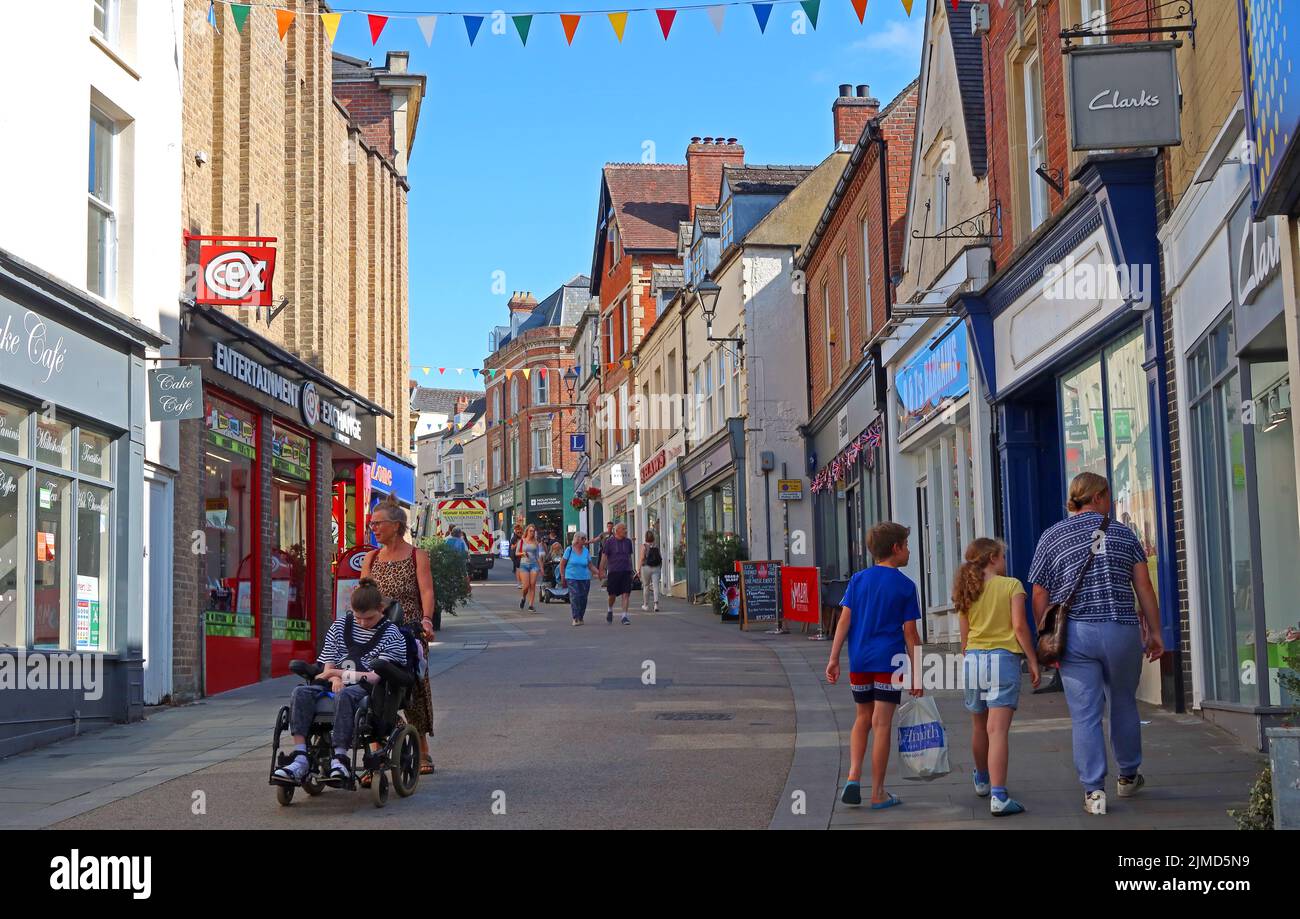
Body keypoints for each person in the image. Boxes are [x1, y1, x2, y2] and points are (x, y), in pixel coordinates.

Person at [1027, 472, 1163, 816]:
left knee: (1085, 714)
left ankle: (1094, 792)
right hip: (1121, 630)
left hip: (1075, 634)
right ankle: (1129, 775)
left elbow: (1039, 591)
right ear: (1099, 497)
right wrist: (1156, 632)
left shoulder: (1052, 536)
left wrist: (1046, 632)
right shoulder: (1122, 533)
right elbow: (1143, 587)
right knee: (1123, 702)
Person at [825, 522, 923, 809]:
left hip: (859, 660)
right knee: (882, 724)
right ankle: (878, 792)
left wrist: (833, 658)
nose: (908, 551)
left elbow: (844, 621)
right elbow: (911, 634)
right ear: (896, 549)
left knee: (862, 719)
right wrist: (917, 673)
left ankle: (853, 776)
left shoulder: (858, 580)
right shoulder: (906, 586)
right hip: (889, 662)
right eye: (906, 545)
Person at [272, 578, 408, 784]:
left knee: (345, 695)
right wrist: (334, 676)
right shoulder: (340, 626)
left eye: (369, 618)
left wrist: (336, 674)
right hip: (334, 683)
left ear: (381, 609)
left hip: (368, 689)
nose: (362, 622)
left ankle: (340, 758)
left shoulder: (391, 634)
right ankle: (300, 757)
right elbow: (327, 666)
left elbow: (373, 676)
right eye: (357, 617)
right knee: (300, 693)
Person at [952, 537, 1039, 817]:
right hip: (1002, 661)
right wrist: (1034, 660)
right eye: (1002, 556)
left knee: (979, 726)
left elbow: (964, 638)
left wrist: (969, 656)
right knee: (997, 730)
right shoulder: (1011, 585)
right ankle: (999, 796)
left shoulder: (967, 589)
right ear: (992, 558)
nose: (1005, 561)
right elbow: (1019, 627)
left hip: (974, 659)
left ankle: (981, 778)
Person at [360, 495, 437, 775]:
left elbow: (426, 591)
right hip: (377, 633)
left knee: (413, 689)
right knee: (373, 686)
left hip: (409, 633)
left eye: (377, 524)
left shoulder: (417, 555)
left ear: (396, 525)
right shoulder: (371, 558)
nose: (373, 529)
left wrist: (426, 620)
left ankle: (423, 748)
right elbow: (363, 595)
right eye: (371, 524)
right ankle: (377, 752)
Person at [597, 522, 635, 625]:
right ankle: (610, 609)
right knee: (612, 595)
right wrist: (601, 571)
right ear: (617, 531)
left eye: (625, 528)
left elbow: (629, 557)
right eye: (623, 529)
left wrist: (632, 570)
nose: (626, 530)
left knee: (626, 593)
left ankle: (624, 616)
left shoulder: (628, 542)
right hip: (614, 572)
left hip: (626, 571)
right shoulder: (609, 542)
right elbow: (604, 557)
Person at [559, 531, 594, 625]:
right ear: (578, 539)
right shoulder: (569, 550)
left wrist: (599, 572)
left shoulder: (586, 551)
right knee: (575, 596)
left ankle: (580, 616)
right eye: (583, 539)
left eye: (585, 539)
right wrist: (562, 576)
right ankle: (575, 618)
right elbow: (562, 564)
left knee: (583, 598)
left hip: (585, 578)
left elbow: (590, 565)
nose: (585, 540)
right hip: (572, 577)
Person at [518, 524, 543, 611]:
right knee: (526, 586)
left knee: (532, 585)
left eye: (533, 531)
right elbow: (516, 553)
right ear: (527, 531)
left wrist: (541, 568)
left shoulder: (536, 542)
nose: (532, 532)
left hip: (534, 565)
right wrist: (523, 553)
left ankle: (531, 605)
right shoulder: (522, 541)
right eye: (530, 531)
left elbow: (537, 557)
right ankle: (523, 597)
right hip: (524, 565)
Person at [639, 530, 662, 612]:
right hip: (656, 567)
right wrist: (660, 567)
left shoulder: (644, 546)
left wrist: (639, 569)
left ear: (646, 537)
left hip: (646, 567)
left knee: (646, 586)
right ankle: (656, 605)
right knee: (656, 586)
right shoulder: (656, 546)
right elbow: (660, 557)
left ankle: (646, 605)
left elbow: (642, 558)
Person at [510, 523, 525, 592]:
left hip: (522, 554)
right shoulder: (514, 538)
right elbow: (512, 547)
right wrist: (518, 543)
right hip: (516, 555)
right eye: (517, 532)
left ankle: (523, 582)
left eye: (520, 531)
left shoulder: (523, 536)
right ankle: (519, 583)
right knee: (518, 568)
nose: (519, 533)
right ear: (515, 531)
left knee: (523, 568)